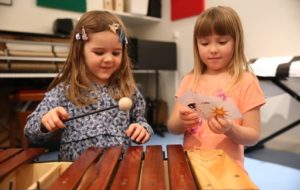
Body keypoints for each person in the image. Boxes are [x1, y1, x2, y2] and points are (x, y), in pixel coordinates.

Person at [25, 10, 153, 160]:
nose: (108, 59)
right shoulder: (64, 91)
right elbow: (31, 134)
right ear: (80, 52)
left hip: (118, 167)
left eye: (116, 53)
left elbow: (141, 121)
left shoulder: (128, 90)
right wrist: (44, 123)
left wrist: (142, 130)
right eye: (99, 53)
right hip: (76, 170)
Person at [167, 6, 265, 168]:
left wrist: (230, 128)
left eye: (222, 42)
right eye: (204, 43)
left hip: (228, 169)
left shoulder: (246, 81)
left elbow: (253, 136)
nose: (213, 49)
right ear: (196, 45)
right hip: (190, 165)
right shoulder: (190, 80)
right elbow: (172, 127)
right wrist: (182, 121)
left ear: (236, 42)